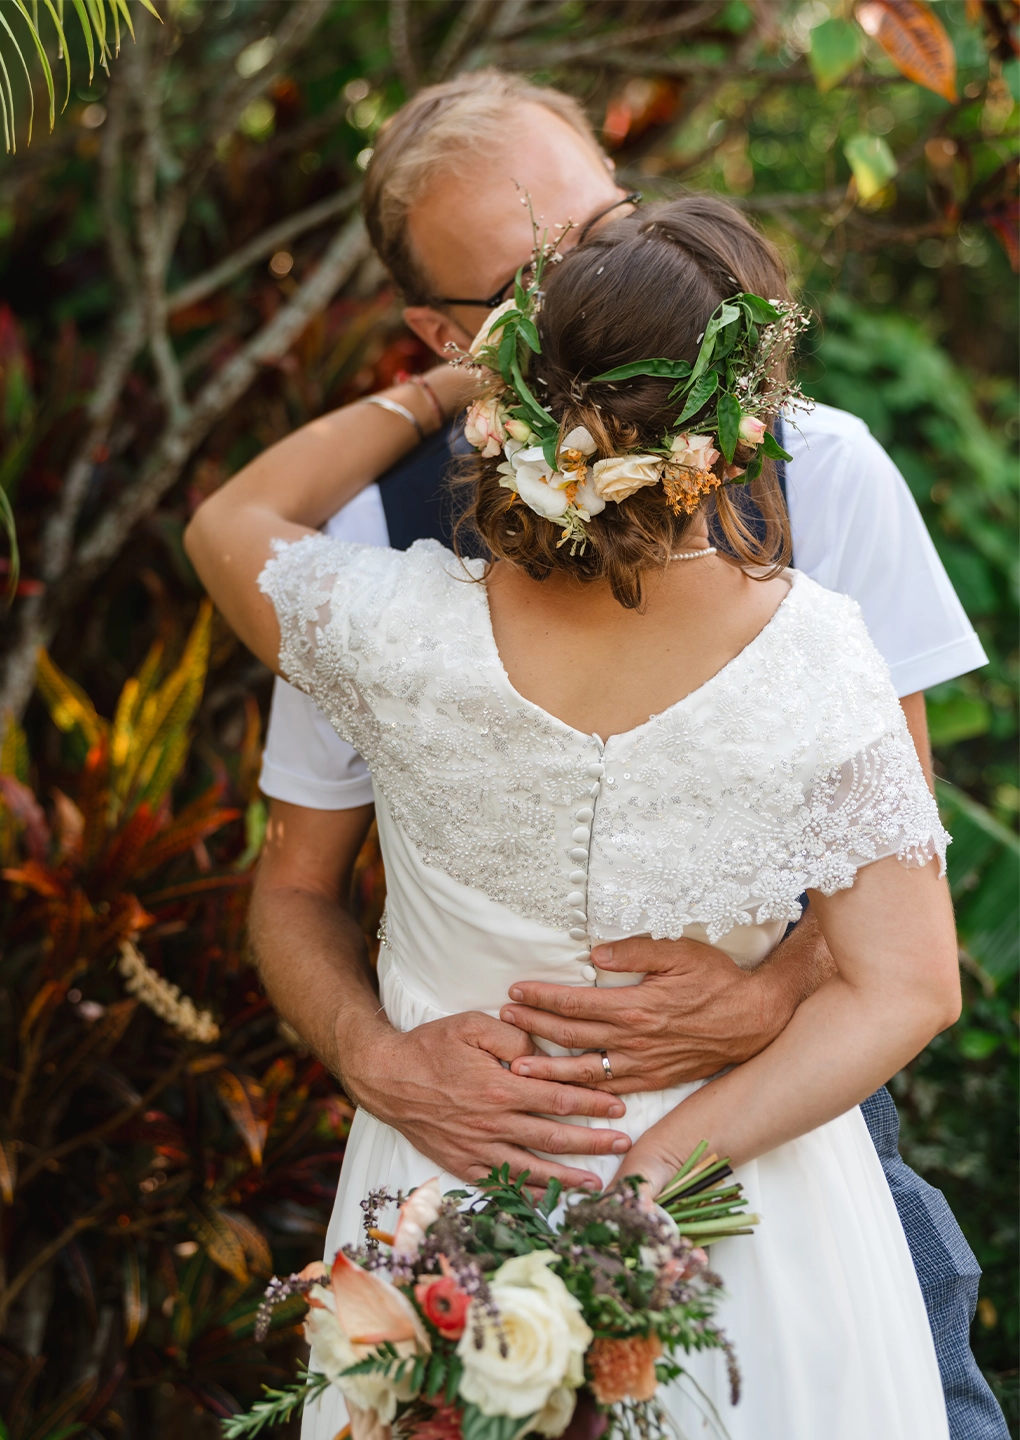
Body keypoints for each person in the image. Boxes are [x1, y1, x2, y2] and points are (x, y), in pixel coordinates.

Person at [251, 71, 1004, 1440]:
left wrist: (771, 995)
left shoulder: (825, 468)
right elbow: (294, 886)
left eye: (606, 228)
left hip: (779, 1115)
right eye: (528, 284)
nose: (597, 289)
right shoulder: (369, 547)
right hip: (457, 1152)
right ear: (445, 331)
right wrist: (373, 1051)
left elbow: (898, 862)